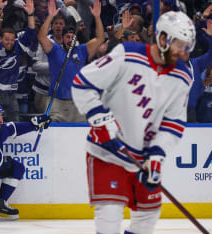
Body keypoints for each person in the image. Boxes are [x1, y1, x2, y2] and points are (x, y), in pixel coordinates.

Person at [71, 11, 195, 234]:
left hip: (142, 158)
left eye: (187, 46)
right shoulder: (128, 54)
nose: (184, 52)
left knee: (148, 216)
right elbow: (82, 83)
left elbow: (173, 123)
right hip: (106, 151)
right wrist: (101, 120)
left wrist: (157, 155)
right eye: (180, 45)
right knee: (109, 214)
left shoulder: (182, 76)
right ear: (163, 38)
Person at [38, 0, 104, 122]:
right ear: (62, 38)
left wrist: (97, 17)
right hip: (56, 102)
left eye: (73, 37)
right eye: (67, 37)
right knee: (53, 134)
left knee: (78, 136)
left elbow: (100, 38)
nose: (70, 39)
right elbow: (41, 37)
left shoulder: (83, 50)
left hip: (78, 102)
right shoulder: (54, 50)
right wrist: (50, 17)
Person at [0, 0, 37, 122]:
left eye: (12, 40)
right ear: (0, 39)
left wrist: (30, 14)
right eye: (6, 39)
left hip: (11, 95)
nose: (9, 42)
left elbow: (31, 33)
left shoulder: (17, 46)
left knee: (14, 127)